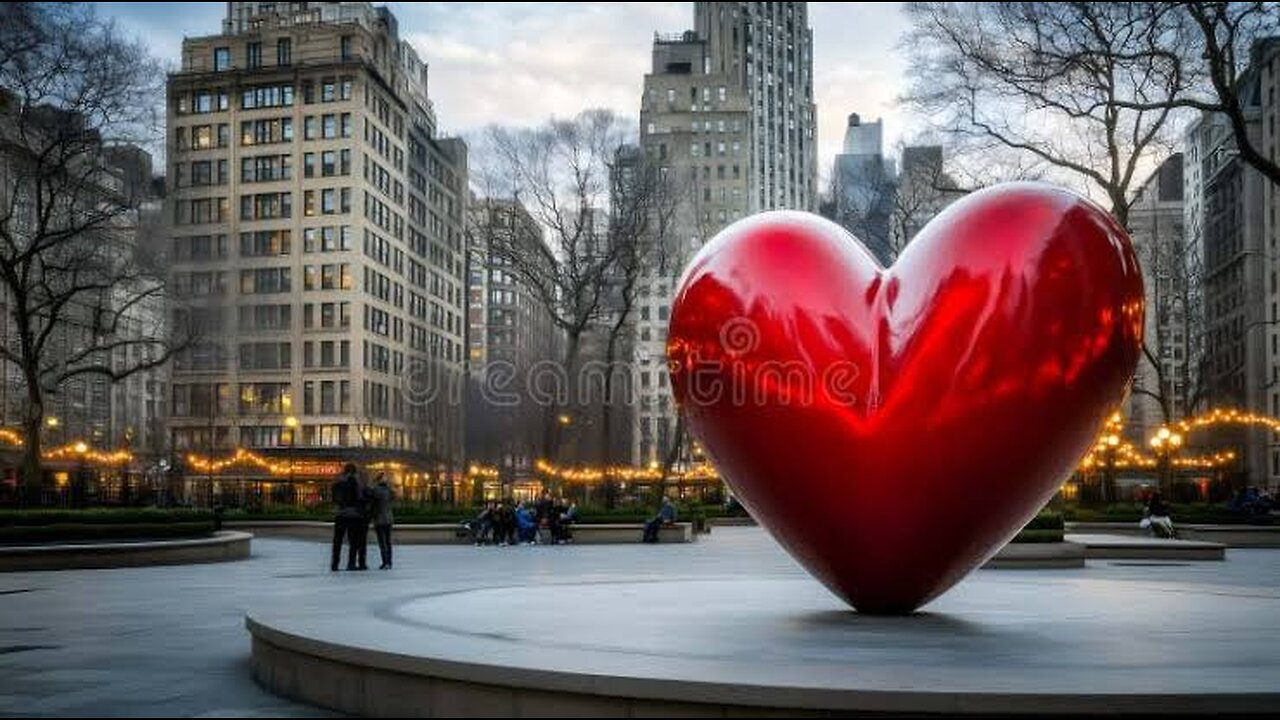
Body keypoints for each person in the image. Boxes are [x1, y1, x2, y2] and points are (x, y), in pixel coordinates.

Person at [330, 463, 365, 571]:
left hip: (340, 513)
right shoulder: (354, 481)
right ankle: (351, 563)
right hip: (352, 514)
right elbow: (359, 496)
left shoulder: (338, 481)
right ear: (354, 471)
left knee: (337, 541)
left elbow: (333, 496)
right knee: (353, 541)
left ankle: (335, 564)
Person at [370, 473, 394, 569]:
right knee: (388, 542)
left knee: (382, 542)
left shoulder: (375, 491)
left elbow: (372, 505)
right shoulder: (389, 490)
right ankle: (389, 561)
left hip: (379, 519)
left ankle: (385, 562)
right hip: (389, 519)